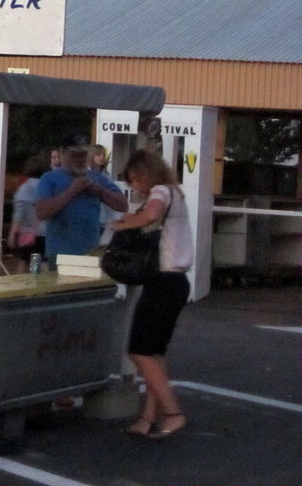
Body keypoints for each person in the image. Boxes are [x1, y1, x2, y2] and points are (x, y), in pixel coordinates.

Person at [110, 150, 193, 439]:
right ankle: (148, 417)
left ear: (146, 174)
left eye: (135, 179)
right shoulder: (176, 193)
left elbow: (152, 213)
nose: (135, 186)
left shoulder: (159, 191)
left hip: (164, 281)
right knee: (154, 353)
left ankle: (173, 413)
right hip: (177, 282)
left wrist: (123, 224)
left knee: (140, 350)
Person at [35, 132, 128, 264]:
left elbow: (122, 205)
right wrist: (72, 191)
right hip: (60, 254)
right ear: (62, 153)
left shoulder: (97, 178)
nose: (79, 158)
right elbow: (41, 213)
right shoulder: (49, 179)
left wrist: (100, 191)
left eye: (83, 154)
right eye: (74, 154)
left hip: (91, 253)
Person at [7, 153, 48, 273]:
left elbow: (19, 212)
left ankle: (25, 285)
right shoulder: (46, 186)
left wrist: (13, 232)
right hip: (44, 231)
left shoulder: (25, 189)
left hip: (28, 233)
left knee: (25, 260)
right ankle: (43, 285)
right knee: (43, 260)